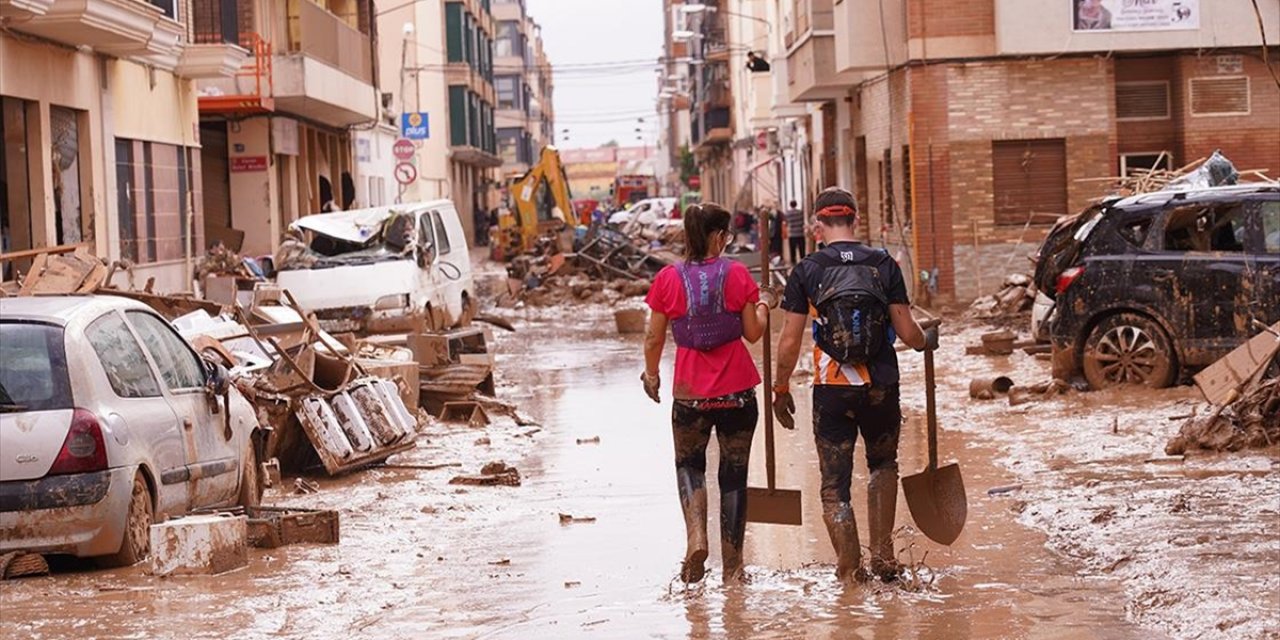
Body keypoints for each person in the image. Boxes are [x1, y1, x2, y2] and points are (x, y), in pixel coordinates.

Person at [771, 187, 937, 584]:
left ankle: (849, 571)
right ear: (856, 220)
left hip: (833, 389)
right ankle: (883, 558)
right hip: (881, 385)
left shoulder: (807, 270)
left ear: (817, 225)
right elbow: (908, 332)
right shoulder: (884, 264)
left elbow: (790, 340)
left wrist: (779, 389)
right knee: (883, 466)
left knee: (835, 484)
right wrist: (926, 340)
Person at [643, 202, 777, 584]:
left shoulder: (668, 278)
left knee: (690, 466)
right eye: (728, 236)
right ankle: (733, 569)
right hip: (737, 393)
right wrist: (765, 303)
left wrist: (651, 375)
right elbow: (753, 332)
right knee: (733, 476)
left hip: (690, 395)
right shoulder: (736, 274)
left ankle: (696, 536)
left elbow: (653, 337)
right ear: (719, 236)